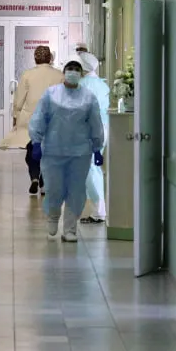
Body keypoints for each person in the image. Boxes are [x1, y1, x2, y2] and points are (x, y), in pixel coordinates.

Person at [28, 60, 106, 243]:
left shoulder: (88, 97)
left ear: (81, 74)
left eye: (77, 69)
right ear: (64, 72)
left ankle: (70, 229)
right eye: (70, 69)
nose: (73, 72)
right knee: (54, 188)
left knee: (76, 191)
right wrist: (36, 142)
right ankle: (53, 219)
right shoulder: (51, 94)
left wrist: (97, 147)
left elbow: (95, 123)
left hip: (80, 152)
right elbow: (39, 117)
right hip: (53, 150)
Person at [1, 45, 63, 194]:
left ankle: (34, 177)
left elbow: (19, 100)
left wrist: (15, 117)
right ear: (50, 58)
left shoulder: (27, 75)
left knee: (32, 150)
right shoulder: (59, 75)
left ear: (35, 59)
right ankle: (44, 183)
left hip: (31, 119)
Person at [76, 51, 112, 225]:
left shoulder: (82, 85)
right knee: (94, 167)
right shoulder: (103, 85)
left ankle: (99, 211)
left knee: (90, 168)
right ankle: (98, 209)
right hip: (103, 128)